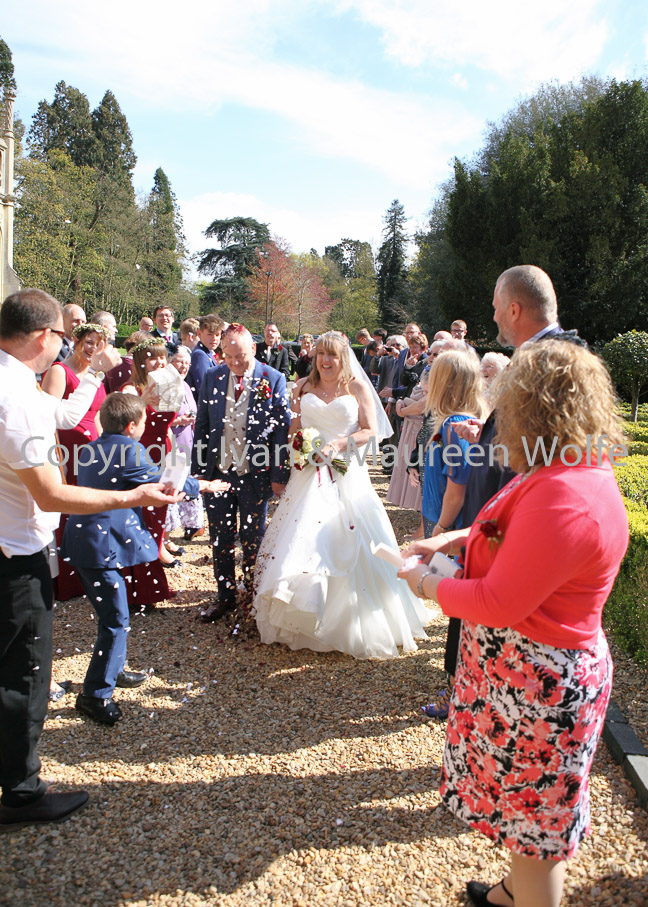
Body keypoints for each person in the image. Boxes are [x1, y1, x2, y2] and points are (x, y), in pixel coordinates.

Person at [399, 341, 629, 907]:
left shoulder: (564, 493)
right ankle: (510, 893)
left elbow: (498, 602)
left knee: (536, 837)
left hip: (539, 689)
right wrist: (452, 540)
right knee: (525, 819)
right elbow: (506, 529)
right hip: (525, 680)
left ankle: (526, 895)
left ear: (531, 407)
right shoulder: (568, 467)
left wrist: (425, 584)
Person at [0, 288, 180, 832]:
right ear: (43, 336)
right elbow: (52, 493)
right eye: (61, 336)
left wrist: (94, 375)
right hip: (15, 554)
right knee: (25, 672)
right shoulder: (18, 398)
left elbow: (67, 413)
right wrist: (133, 496)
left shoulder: (20, 387)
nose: (64, 346)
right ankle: (22, 793)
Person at [253, 331, 434, 659]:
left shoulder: (356, 387)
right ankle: (303, 616)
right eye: (321, 354)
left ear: (343, 358)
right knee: (303, 538)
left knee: (348, 537)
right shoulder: (302, 387)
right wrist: (301, 447)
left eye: (332, 355)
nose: (326, 361)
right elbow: (294, 431)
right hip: (309, 474)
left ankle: (351, 621)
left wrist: (338, 444)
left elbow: (370, 430)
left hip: (346, 471)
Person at [62, 393, 225, 725]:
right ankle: (95, 695)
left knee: (113, 612)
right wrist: (205, 485)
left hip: (82, 540)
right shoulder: (129, 450)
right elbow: (163, 483)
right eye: (143, 423)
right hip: (100, 547)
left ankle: (115, 669)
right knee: (115, 619)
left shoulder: (90, 448)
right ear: (131, 426)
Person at [191, 323, 291, 622]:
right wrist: (200, 471)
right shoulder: (212, 376)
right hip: (218, 471)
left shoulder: (273, 378)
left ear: (254, 349)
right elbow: (203, 424)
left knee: (253, 538)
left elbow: (281, 431)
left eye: (241, 356)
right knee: (220, 537)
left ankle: (252, 596)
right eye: (228, 356)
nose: (234, 362)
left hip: (254, 474)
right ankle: (225, 596)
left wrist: (278, 475)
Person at [41, 321, 110, 600]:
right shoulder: (60, 371)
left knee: (90, 510)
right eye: (88, 342)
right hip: (67, 450)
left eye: (99, 344)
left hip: (93, 450)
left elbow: (98, 415)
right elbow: (46, 418)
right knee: (68, 511)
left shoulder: (97, 374)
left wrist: (106, 449)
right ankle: (65, 582)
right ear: (77, 341)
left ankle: (88, 576)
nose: (93, 348)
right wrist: (56, 458)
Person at [164, 346, 205, 542]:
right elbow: (157, 418)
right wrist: (178, 421)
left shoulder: (186, 386)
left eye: (187, 363)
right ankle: (166, 533)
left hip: (188, 440)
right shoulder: (164, 386)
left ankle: (192, 525)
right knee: (173, 482)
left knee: (187, 480)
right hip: (172, 441)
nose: (184, 366)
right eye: (180, 362)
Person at [187, 313, 224, 401]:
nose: (214, 338)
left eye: (217, 335)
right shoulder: (200, 355)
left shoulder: (207, 353)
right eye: (209, 334)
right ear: (199, 333)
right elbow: (204, 387)